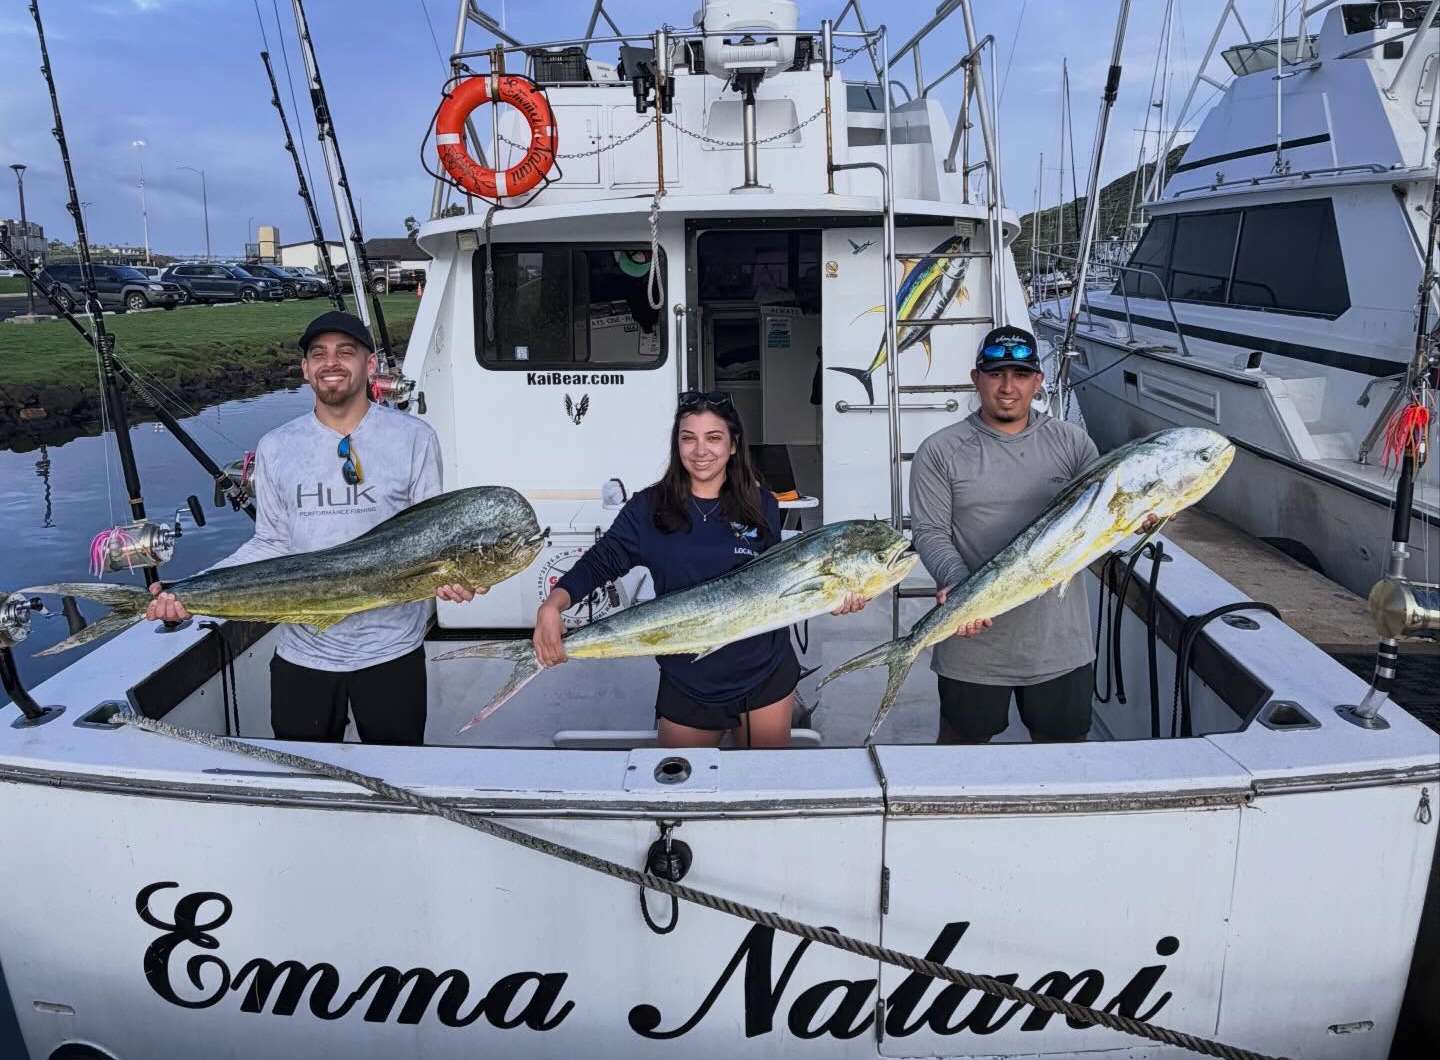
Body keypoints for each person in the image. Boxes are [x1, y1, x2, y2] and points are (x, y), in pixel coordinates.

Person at [144, 310, 479, 745]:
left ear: (370, 363)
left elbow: (431, 539)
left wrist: (454, 580)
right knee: (307, 784)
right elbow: (271, 542)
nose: (331, 362)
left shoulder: (414, 438)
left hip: (392, 655)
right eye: (318, 354)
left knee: (396, 784)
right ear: (305, 369)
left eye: (346, 351)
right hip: (303, 656)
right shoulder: (277, 446)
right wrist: (188, 589)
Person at [531, 390, 867, 748]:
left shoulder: (762, 504)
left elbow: (779, 579)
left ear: (734, 445)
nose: (700, 450)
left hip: (763, 674)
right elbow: (602, 561)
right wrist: (553, 605)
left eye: (714, 438)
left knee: (760, 784)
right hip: (688, 677)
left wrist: (834, 596)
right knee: (681, 793)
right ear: (677, 445)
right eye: (688, 438)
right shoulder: (649, 508)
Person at [908, 325, 1110, 745]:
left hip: (1059, 643)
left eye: (1020, 375)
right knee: (962, 751)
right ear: (975, 378)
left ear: (1038, 380)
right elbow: (930, 531)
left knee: (1065, 755)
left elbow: (1102, 520)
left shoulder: (1073, 444)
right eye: (996, 373)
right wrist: (959, 584)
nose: (1007, 387)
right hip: (972, 644)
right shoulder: (940, 450)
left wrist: (1145, 514)